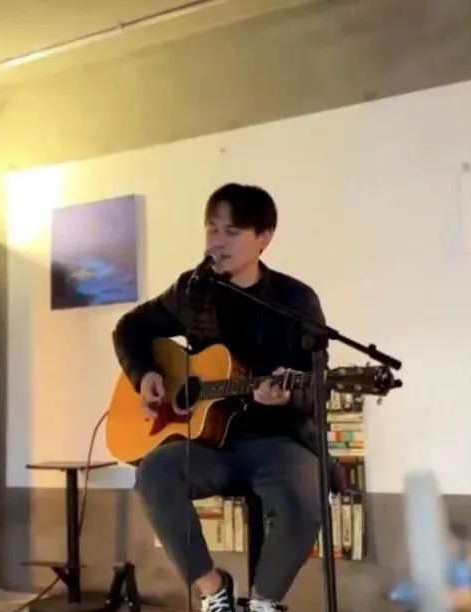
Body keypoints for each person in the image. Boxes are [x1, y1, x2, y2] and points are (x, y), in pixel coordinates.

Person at [112, 183, 328, 612]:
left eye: (232, 232)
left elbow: (316, 385)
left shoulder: (296, 300)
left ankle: (264, 602)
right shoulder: (194, 291)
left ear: (263, 238)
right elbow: (129, 328)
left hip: (278, 441)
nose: (218, 241)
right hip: (210, 444)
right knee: (155, 473)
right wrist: (147, 374)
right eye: (212, 229)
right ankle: (214, 590)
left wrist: (286, 398)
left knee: (306, 496)